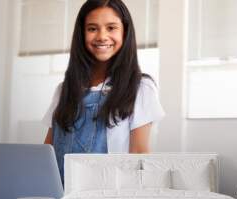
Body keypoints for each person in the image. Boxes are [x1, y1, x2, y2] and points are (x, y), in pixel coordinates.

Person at [42, 0, 165, 182]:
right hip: (60, 197)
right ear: (82, 34)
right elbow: (47, 153)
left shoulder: (140, 88)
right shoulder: (63, 90)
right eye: (92, 28)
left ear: (125, 31)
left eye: (111, 28)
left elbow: (139, 155)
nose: (102, 36)